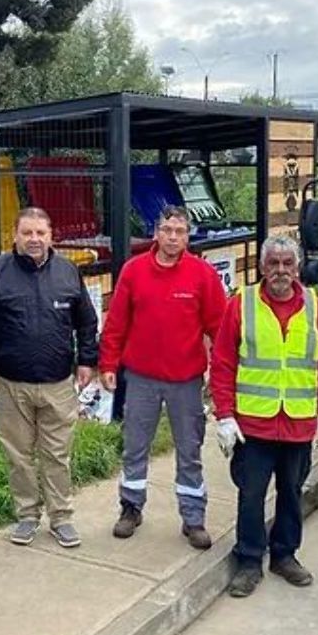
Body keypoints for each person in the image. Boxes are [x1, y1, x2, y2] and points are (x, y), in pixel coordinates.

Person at [210, 235, 318, 598]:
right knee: (251, 495)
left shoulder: (315, 307)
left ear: (297, 267)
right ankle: (249, 560)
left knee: (292, 493)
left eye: (287, 263)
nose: (281, 271)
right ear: (262, 267)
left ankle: (285, 555)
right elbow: (222, 363)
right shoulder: (242, 304)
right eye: (273, 264)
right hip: (253, 424)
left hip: (297, 424)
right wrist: (224, 415)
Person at [99, 205, 228, 549]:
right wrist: (108, 365)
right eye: (167, 229)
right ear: (156, 232)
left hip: (186, 381)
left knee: (190, 449)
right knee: (134, 447)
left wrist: (223, 376)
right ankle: (130, 508)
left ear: (188, 236)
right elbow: (116, 323)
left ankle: (193, 517)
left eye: (180, 231)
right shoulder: (133, 271)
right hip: (140, 378)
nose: (173, 237)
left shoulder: (203, 275)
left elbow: (220, 329)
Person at [0, 208, 99, 548]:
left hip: (59, 383)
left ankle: (61, 517)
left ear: (50, 236)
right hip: (10, 383)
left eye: (40, 233)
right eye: (26, 232)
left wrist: (87, 360)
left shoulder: (67, 271)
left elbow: (86, 322)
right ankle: (27, 516)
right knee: (19, 454)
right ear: (14, 235)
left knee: (57, 455)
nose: (33, 239)